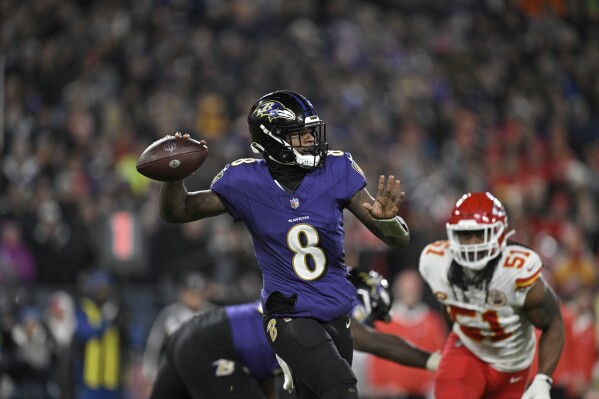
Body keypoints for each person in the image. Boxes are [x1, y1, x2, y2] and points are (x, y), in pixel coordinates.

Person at [158, 90, 410, 398]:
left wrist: (387, 221)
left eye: (309, 130)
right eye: (298, 132)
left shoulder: (337, 169)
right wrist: (174, 175)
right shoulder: (244, 180)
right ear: (272, 139)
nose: (308, 138)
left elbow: (397, 238)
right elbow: (179, 211)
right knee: (341, 389)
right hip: (289, 313)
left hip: (336, 312)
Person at [148, 268, 439, 399]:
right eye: (371, 315)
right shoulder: (329, 310)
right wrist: (431, 361)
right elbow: (376, 341)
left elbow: (265, 373)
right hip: (211, 347)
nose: (368, 324)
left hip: (198, 339)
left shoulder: (312, 294)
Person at [418, 192, 565, 399]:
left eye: (481, 233)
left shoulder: (516, 270)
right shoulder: (436, 262)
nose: (473, 243)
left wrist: (543, 379)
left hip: (513, 363)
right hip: (468, 350)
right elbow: (448, 305)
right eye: (465, 235)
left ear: (500, 233)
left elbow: (553, 322)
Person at [367, 268, 447, 399]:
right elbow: (376, 356)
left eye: (413, 289)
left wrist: (436, 384)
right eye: (406, 289)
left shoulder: (432, 321)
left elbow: (441, 355)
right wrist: (378, 384)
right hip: (392, 393)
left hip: (424, 392)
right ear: (397, 290)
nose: (410, 293)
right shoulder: (385, 322)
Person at [142, 271, 216, 390]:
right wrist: (149, 375)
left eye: (197, 292)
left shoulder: (214, 314)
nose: (194, 296)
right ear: (181, 293)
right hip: (175, 374)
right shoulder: (169, 314)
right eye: (190, 292)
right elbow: (154, 345)